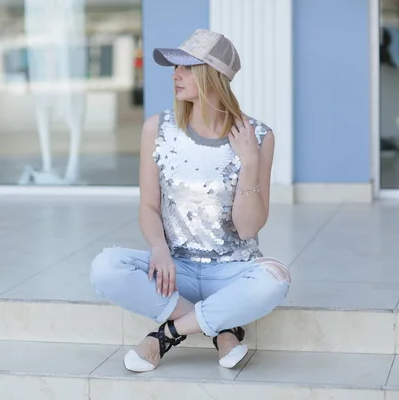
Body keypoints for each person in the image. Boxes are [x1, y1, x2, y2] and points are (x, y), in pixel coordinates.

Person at [89, 29, 292, 372]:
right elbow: (149, 206)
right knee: (105, 267)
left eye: (185, 67)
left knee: (275, 279)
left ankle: (166, 334)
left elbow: (247, 229)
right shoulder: (158, 128)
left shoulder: (259, 136)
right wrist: (158, 248)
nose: (175, 74)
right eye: (175, 67)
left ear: (213, 75)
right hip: (175, 269)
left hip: (232, 269)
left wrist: (250, 163)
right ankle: (222, 328)